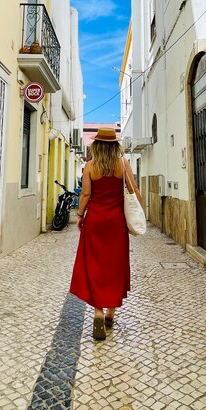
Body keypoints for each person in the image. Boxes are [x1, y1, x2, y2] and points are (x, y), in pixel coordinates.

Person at [69, 127, 143, 340]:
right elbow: (133, 189)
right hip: (116, 222)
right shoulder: (123, 164)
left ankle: (98, 311)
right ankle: (111, 312)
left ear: (97, 145)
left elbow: (85, 194)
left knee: (94, 265)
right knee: (115, 264)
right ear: (115, 145)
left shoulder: (90, 166)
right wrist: (140, 213)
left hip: (95, 222)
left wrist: (80, 215)